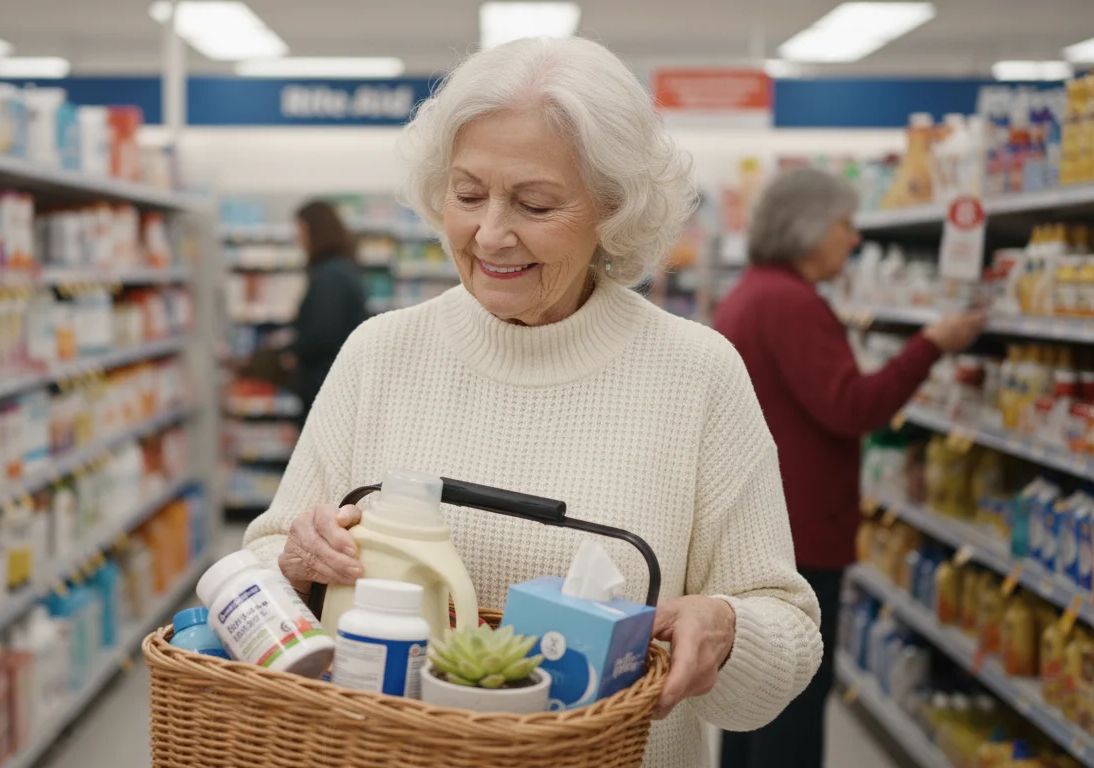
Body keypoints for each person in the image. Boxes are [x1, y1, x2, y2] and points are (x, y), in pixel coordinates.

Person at [244, 37, 821, 767]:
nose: (490, 233)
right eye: (467, 194)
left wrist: (730, 627)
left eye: (535, 203)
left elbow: (788, 630)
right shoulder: (379, 354)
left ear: (614, 207)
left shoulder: (697, 375)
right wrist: (296, 561)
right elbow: (260, 568)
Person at [713, 167, 987, 768]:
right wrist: (931, 344)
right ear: (809, 228)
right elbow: (852, 406)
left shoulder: (754, 293)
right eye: (845, 224)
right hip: (801, 531)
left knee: (755, 697)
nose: (855, 240)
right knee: (794, 699)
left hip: (772, 524)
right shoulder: (790, 302)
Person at [285, 200, 369, 416]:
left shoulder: (330, 275)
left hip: (325, 383)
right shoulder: (341, 268)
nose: (298, 238)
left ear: (316, 231)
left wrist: (293, 351)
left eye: (301, 230)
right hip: (336, 381)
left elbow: (323, 331)